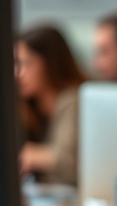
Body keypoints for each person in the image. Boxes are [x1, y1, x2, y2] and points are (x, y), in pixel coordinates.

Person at [15, 25, 86, 186]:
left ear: (50, 63)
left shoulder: (73, 100)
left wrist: (32, 155)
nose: (17, 73)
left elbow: (70, 162)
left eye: (25, 63)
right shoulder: (28, 107)